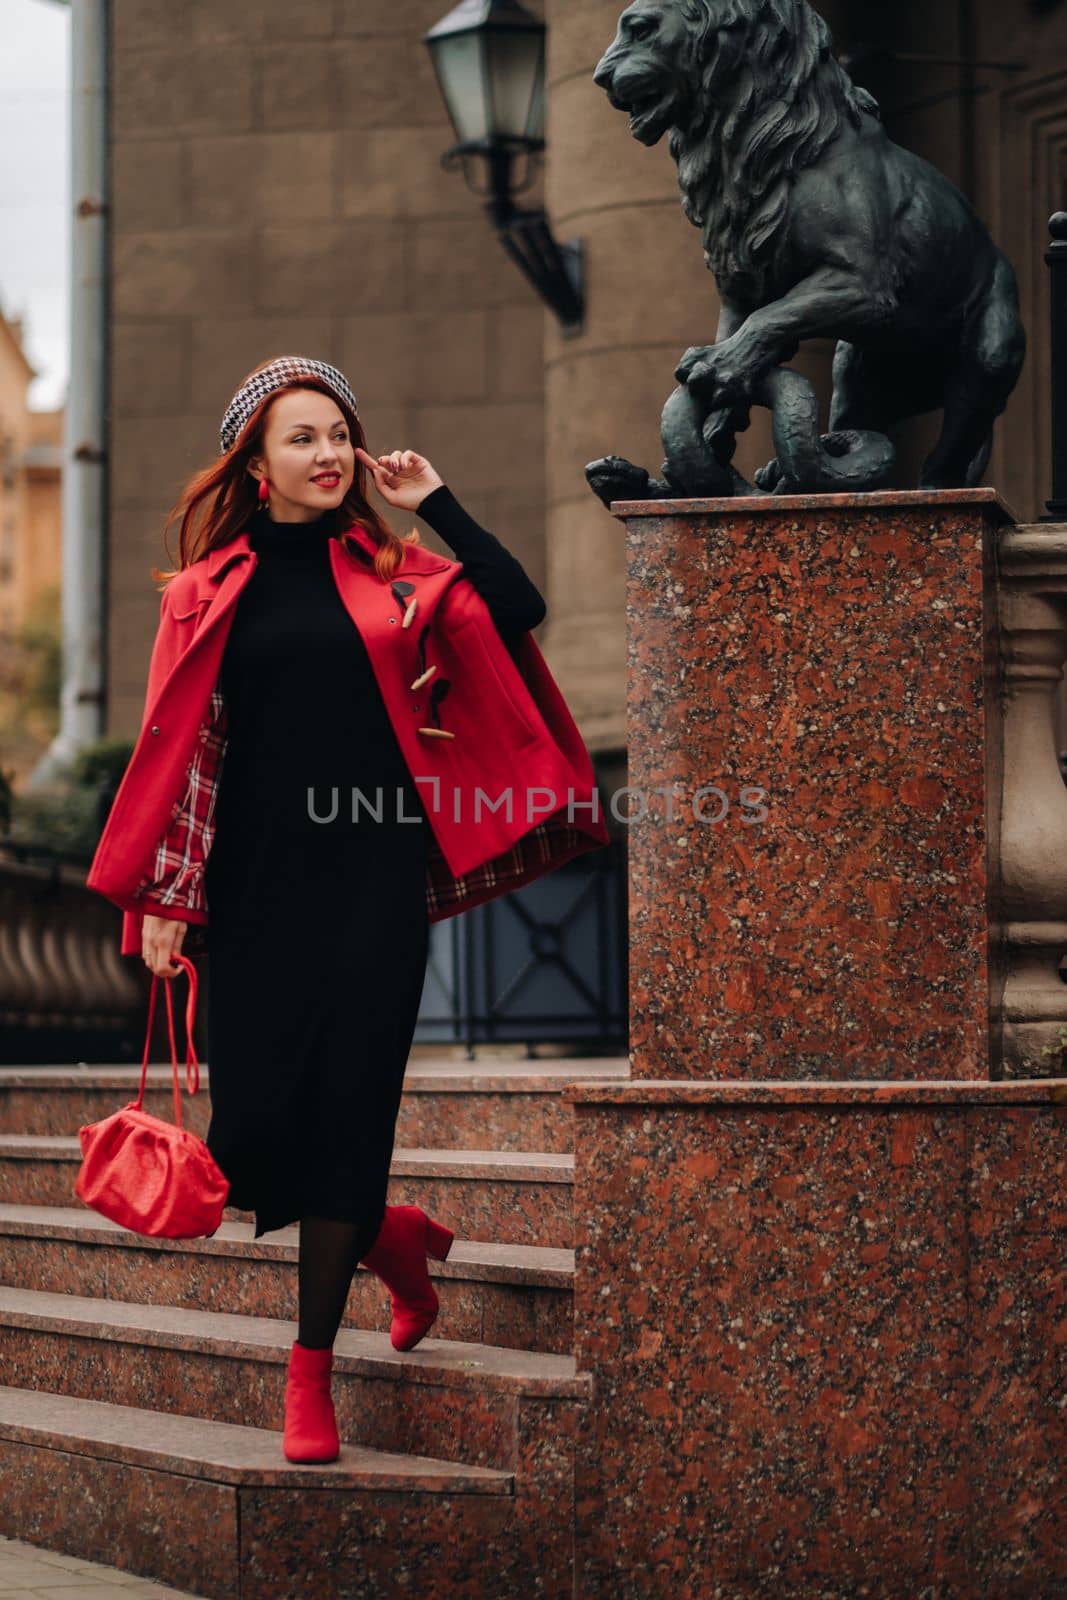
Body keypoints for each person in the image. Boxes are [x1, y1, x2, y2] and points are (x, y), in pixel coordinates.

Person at [90, 354, 608, 1465]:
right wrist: (165, 898)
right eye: (301, 437)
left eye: (339, 433)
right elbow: (182, 757)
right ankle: (398, 1241)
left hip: (371, 880)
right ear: (256, 463)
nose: (328, 454)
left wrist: (438, 505)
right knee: (256, 1141)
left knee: (349, 1113)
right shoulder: (204, 593)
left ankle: (309, 1371)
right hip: (250, 892)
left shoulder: (397, 569)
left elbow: (518, 605)